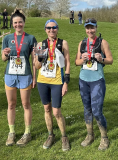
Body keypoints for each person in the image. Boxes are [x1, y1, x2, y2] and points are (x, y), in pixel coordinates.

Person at [75, 18, 113, 150]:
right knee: (87, 109)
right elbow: (76, 62)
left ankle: (104, 138)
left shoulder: (102, 42)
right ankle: (90, 135)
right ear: (85, 29)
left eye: (92, 28)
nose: (90, 30)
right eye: (88, 28)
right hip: (83, 80)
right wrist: (82, 59)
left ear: (96, 28)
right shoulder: (82, 43)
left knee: (97, 111)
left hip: (97, 80)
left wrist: (101, 59)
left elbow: (110, 60)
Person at [34, 19, 71, 151]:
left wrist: (66, 82)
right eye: (48, 28)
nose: (51, 30)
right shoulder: (40, 44)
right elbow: (37, 66)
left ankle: (64, 137)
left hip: (57, 81)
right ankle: (50, 135)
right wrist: (39, 57)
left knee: (56, 112)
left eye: (54, 27)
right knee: (47, 109)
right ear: (45, 30)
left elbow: (67, 63)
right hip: (43, 81)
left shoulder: (62, 43)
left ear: (57, 29)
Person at [2, 8, 37, 146]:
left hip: (25, 75)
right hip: (10, 75)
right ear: (12, 24)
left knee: (26, 104)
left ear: (24, 23)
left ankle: (27, 133)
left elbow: (34, 60)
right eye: (15, 23)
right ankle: (11, 133)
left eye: (20, 22)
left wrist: (35, 77)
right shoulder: (7, 38)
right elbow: (3, 59)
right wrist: (5, 53)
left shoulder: (30, 38)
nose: (18, 25)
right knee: (11, 104)